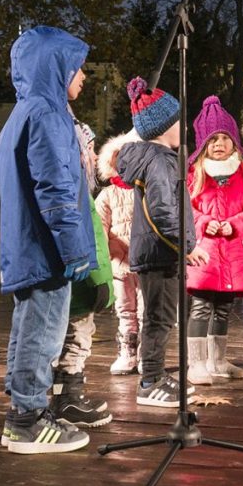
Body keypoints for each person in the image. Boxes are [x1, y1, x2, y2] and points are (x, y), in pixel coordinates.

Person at [0, 26, 97, 453]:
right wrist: (74, 250)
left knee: (29, 329)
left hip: (28, 247)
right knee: (44, 334)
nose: (83, 76)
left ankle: (22, 411)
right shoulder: (48, 115)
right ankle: (28, 420)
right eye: (78, 67)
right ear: (56, 67)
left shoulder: (23, 112)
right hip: (47, 251)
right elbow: (55, 189)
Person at [117, 77, 209, 407]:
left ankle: (156, 375)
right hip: (160, 251)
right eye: (178, 121)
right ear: (163, 127)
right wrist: (187, 246)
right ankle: (150, 382)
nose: (183, 127)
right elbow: (163, 209)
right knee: (159, 318)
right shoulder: (159, 160)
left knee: (162, 316)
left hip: (159, 251)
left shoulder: (156, 158)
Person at [185, 96, 243, 386]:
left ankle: (217, 361)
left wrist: (235, 224)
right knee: (201, 307)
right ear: (203, 145)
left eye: (224, 138)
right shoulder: (195, 174)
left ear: (234, 143)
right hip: (205, 253)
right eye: (213, 139)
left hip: (233, 252)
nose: (219, 144)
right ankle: (196, 364)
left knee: (223, 308)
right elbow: (187, 208)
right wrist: (205, 222)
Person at [48, 118, 114, 429]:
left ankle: (64, 396)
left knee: (68, 338)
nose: (94, 155)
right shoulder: (77, 194)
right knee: (76, 339)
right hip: (81, 282)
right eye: (89, 148)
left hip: (72, 282)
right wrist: (100, 281)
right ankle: (68, 399)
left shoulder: (75, 189)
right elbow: (93, 242)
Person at [95, 129, 143, 375]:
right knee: (125, 310)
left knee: (146, 311)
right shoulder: (107, 194)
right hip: (120, 263)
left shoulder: (145, 190)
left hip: (145, 262)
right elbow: (99, 227)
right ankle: (127, 351)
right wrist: (105, 255)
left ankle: (146, 353)